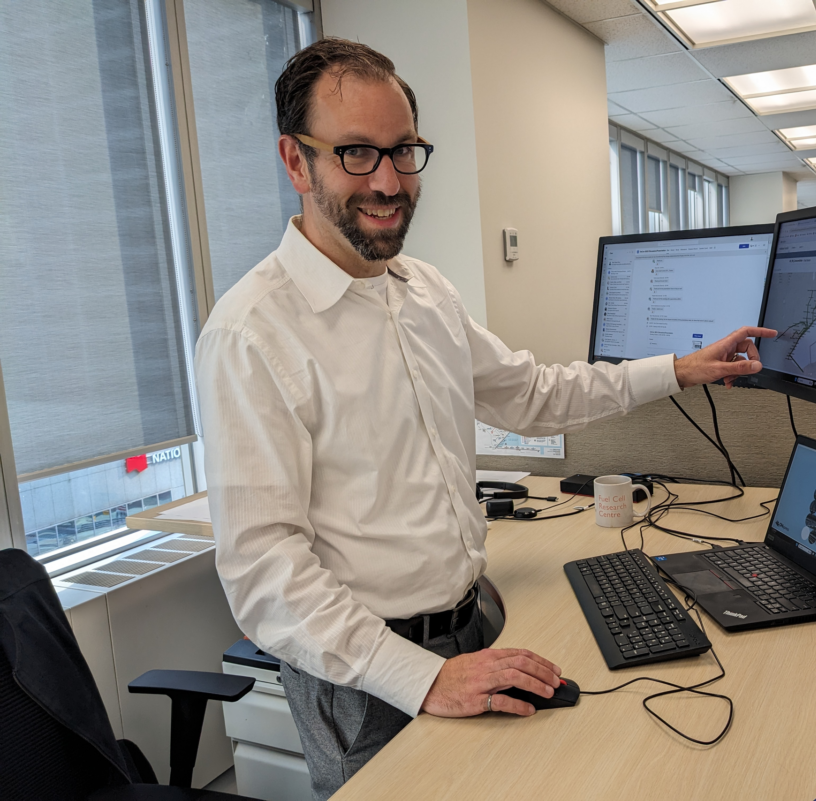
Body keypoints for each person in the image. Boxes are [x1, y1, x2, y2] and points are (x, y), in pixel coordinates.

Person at [194, 38, 776, 799]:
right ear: (296, 161)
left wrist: (677, 368)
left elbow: (533, 394)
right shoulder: (251, 333)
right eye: (357, 154)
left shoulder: (423, 290)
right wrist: (425, 677)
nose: (390, 181)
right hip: (366, 680)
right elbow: (266, 574)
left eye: (403, 151)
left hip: (473, 631)